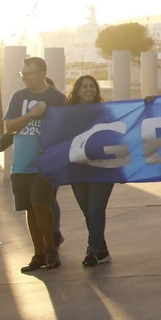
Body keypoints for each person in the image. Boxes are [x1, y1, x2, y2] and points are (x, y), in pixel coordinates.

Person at [4, 56, 67, 273]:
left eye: (28, 74)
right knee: (29, 209)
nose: (24, 78)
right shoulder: (18, 97)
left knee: (41, 203)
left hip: (46, 162)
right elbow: (9, 126)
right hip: (22, 162)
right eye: (22, 74)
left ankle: (51, 249)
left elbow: (68, 127)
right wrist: (31, 115)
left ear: (41, 73)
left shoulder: (57, 98)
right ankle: (38, 252)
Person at [66, 75, 115, 267]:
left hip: (102, 168)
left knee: (95, 209)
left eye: (92, 86)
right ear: (77, 90)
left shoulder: (105, 112)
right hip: (78, 169)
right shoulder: (66, 114)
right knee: (88, 211)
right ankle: (101, 250)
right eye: (84, 86)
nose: (89, 90)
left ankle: (92, 250)